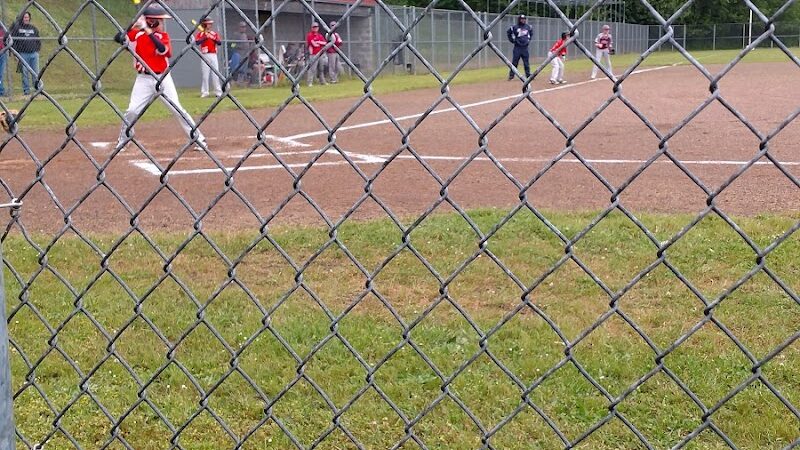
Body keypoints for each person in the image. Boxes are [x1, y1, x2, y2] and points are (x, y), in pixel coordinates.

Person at [114, 4, 208, 152]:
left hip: (162, 78)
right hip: (143, 80)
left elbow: (164, 50)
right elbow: (118, 38)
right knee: (132, 110)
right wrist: (134, 23)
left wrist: (147, 29)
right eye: (159, 21)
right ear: (151, 21)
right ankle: (123, 140)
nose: (162, 24)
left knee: (177, 108)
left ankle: (198, 138)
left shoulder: (163, 36)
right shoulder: (136, 34)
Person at [10, 11, 40, 96]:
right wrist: (16, 54)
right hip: (23, 54)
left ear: (29, 18)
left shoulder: (33, 28)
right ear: (22, 19)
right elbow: (14, 41)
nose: (26, 19)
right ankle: (26, 91)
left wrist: (37, 49)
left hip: (34, 54)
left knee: (36, 73)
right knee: (25, 73)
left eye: (27, 17)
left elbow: (38, 40)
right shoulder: (17, 29)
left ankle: (37, 89)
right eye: (24, 17)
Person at [195, 17, 222, 98]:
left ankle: (218, 92)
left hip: (213, 55)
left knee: (215, 74)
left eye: (210, 23)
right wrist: (205, 37)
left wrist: (213, 38)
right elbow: (197, 42)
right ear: (204, 24)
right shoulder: (201, 34)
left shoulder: (214, 33)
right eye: (208, 23)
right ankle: (205, 92)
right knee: (205, 75)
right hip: (204, 55)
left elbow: (219, 42)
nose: (210, 25)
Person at [506, 14, 532, 81]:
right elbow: (508, 33)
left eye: (524, 19)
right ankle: (511, 76)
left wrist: (528, 40)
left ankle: (528, 75)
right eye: (522, 19)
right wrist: (513, 40)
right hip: (517, 47)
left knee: (526, 62)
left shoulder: (528, 27)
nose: (523, 20)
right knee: (515, 62)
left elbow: (531, 33)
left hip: (525, 48)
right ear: (519, 20)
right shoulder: (515, 27)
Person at [305, 22, 327, 87]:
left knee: (321, 69)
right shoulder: (310, 35)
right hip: (313, 54)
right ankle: (309, 82)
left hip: (320, 54)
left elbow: (325, 43)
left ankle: (322, 81)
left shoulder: (319, 35)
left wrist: (319, 42)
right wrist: (319, 43)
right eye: (314, 27)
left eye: (316, 27)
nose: (315, 28)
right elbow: (314, 44)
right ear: (312, 28)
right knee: (312, 69)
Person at [0, 21, 7, 96]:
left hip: (2, 52)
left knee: (1, 73)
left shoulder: (3, 28)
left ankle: (1, 91)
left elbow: (7, 40)